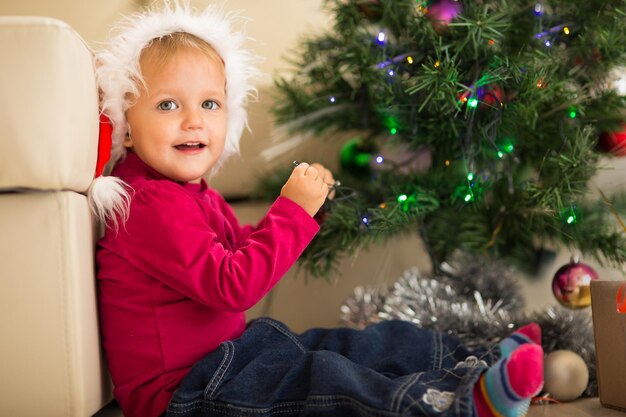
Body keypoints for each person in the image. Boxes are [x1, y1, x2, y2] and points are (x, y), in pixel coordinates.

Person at [91, 2, 544, 417]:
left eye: (210, 103)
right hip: (184, 393)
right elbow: (234, 286)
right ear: (127, 128)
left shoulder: (191, 193)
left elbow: (237, 250)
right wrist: (290, 211)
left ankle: (487, 360)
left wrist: (306, 214)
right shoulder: (146, 203)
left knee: (346, 346)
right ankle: (466, 402)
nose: (193, 120)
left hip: (230, 360)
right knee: (328, 381)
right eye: (168, 104)